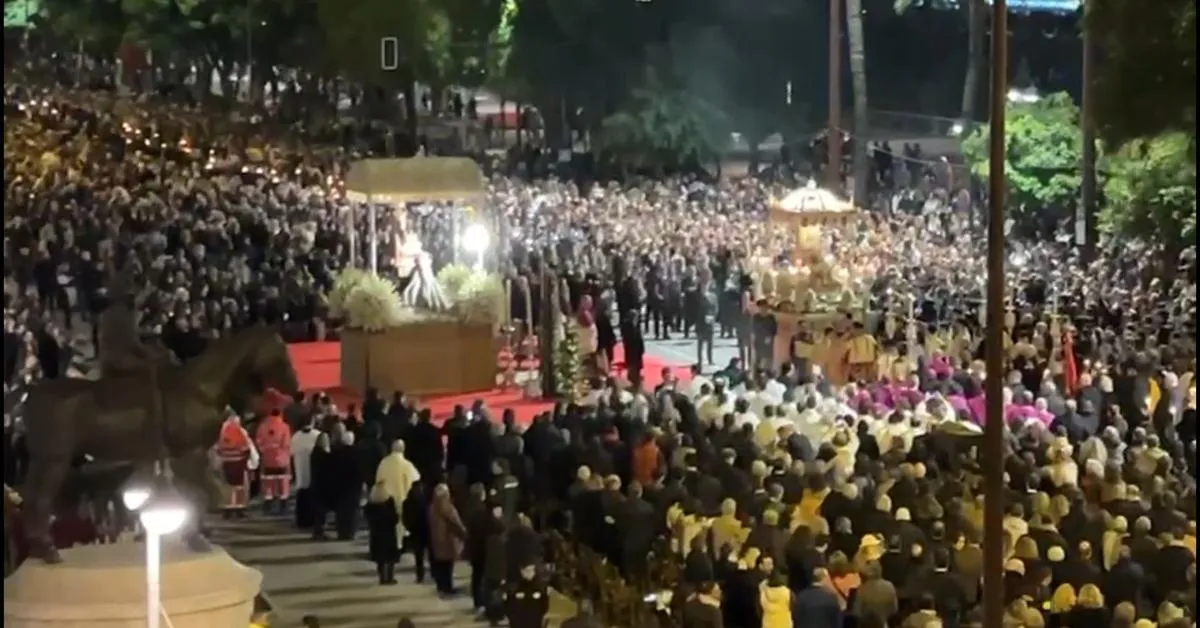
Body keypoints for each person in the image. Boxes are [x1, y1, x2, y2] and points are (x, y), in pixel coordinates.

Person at [375, 440, 421, 557]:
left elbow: (378, 481)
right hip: (403, 497)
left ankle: (390, 547)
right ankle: (400, 546)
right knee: (401, 524)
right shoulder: (407, 465)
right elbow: (416, 479)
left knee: (389, 526)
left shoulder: (384, 463)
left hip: (387, 499)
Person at [214, 412, 258, 518]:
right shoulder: (240, 431)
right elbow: (247, 447)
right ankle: (239, 509)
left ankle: (227, 509)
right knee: (239, 487)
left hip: (226, 463)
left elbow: (217, 448)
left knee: (227, 487)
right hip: (239, 463)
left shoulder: (222, 431)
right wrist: (251, 462)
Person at [428, 482, 466, 595]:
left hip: (436, 539)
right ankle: (448, 587)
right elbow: (455, 521)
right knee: (448, 565)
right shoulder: (446, 505)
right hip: (447, 539)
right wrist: (463, 532)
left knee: (441, 564)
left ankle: (441, 586)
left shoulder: (432, 506)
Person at [254, 409, 292, 516]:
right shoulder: (285, 427)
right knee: (283, 483)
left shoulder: (262, 427)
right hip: (282, 460)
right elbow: (286, 443)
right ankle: (283, 506)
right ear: (280, 415)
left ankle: (268, 506)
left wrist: (266, 451)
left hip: (267, 460)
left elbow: (258, 441)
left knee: (268, 483)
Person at [364, 480, 402, 585]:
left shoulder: (371, 502)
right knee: (390, 558)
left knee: (380, 558)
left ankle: (382, 578)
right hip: (389, 533)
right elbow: (395, 517)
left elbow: (367, 516)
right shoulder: (389, 500)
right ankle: (390, 577)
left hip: (376, 533)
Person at [290, 418, 321, 529]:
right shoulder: (317, 435)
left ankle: (301, 521)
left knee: (301, 496)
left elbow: (291, 452)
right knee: (313, 497)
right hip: (313, 471)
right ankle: (312, 520)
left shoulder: (296, 436)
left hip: (300, 471)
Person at [503, 561, 550, 628]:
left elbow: (544, 605)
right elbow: (508, 606)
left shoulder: (540, 588)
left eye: (532, 570)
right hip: (518, 623)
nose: (530, 573)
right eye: (527, 570)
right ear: (522, 571)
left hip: (534, 623)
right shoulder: (514, 588)